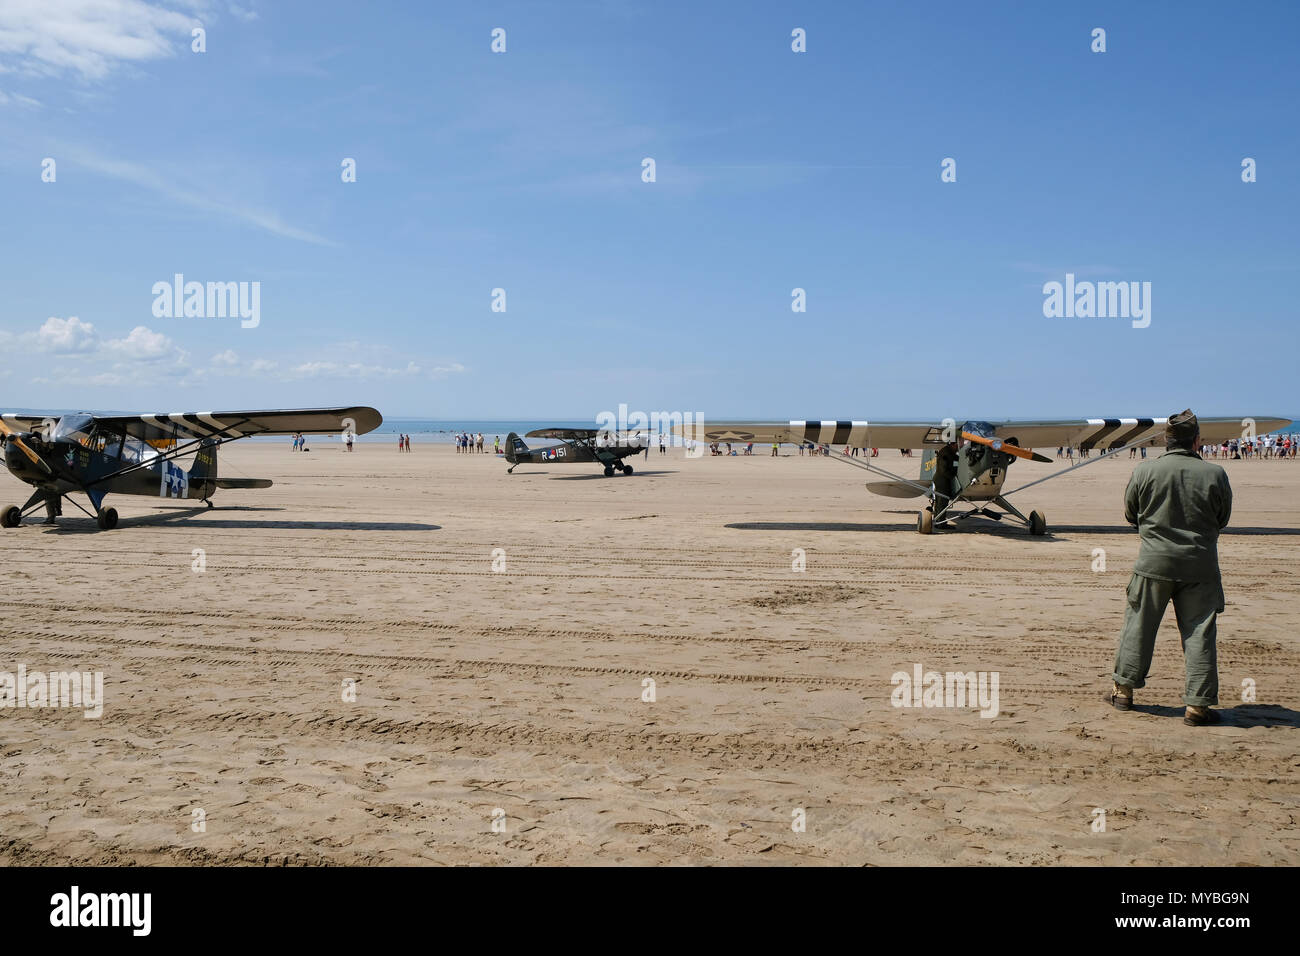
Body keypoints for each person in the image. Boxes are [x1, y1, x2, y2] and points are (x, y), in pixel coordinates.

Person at [1107, 410, 1232, 726]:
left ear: (1166, 439)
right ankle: (1197, 708)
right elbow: (1222, 519)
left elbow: (1130, 513)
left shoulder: (1145, 470)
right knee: (1199, 634)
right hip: (1200, 565)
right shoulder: (1215, 473)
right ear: (1197, 440)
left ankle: (1123, 691)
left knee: (1139, 626)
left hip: (1153, 562)